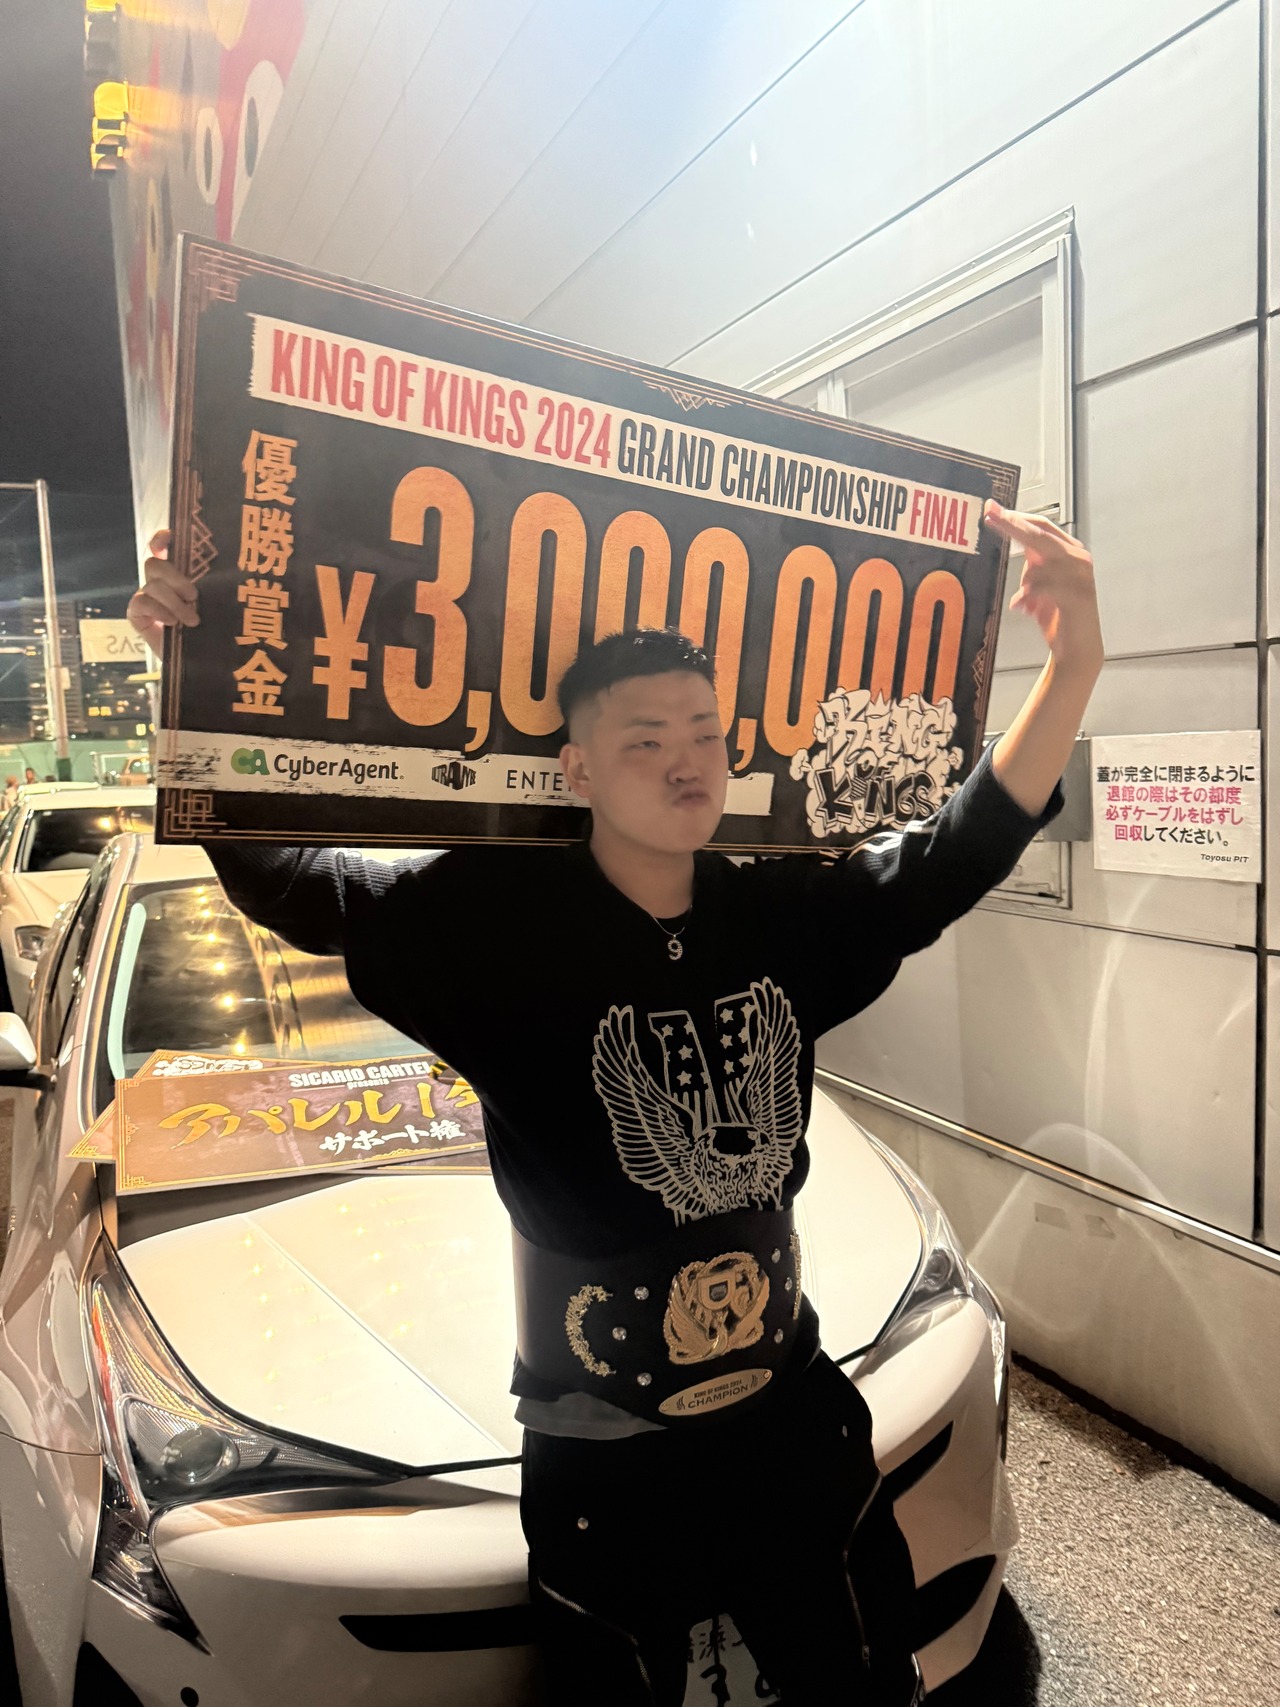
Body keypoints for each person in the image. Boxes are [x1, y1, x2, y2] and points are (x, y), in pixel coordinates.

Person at [130, 503, 1102, 1705]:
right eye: (645, 741)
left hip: (792, 1413)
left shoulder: (780, 915)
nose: (687, 760)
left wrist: (1072, 664)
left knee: (854, 1677)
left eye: (704, 733)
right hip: (603, 1450)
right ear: (577, 770)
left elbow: (957, 851)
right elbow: (291, 882)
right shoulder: (491, 928)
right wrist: (185, 672)